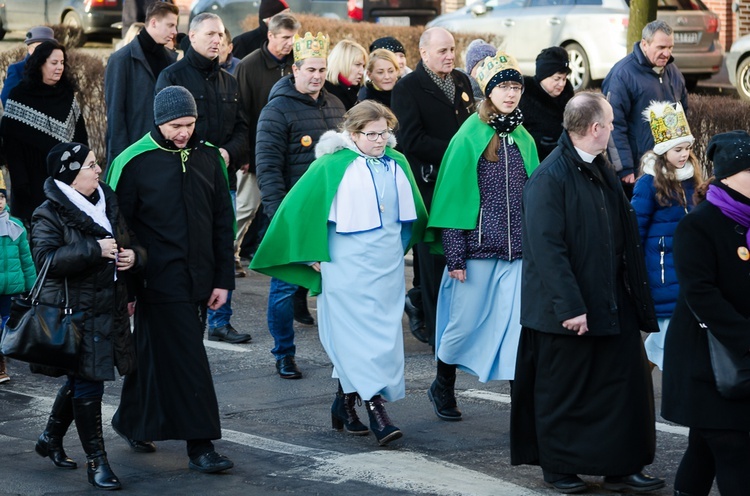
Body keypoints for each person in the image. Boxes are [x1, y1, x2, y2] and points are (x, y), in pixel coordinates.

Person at [510, 92, 664, 494]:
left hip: (610, 299)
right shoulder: (550, 176)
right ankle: (559, 467)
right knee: (566, 393)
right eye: (610, 124)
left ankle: (621, 465)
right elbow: (547, 251)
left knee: (623, 386)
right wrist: (571, 307)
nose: (613, 130)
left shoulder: (599, 167)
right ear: (595, 129)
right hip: (567, 310)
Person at [251, 100, 427, 445]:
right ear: (352, 133)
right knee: (354, 337)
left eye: (385, 133)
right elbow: (297, 209)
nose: (380, 140)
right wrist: (310, 252)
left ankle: (344, 403)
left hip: (386, 265)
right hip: (346, 263)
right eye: (372, 134)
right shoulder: (332, 165)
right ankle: (377, 410)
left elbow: (411, 217)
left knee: (383, 337)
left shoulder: (397, 162)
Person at [107, 86, 236, 474]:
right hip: (156, 280)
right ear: (158, 121)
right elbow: (119, 230)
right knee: (188, 358)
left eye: (190, 123)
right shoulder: (132, 161)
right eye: (176, 125)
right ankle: (201, 444)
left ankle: (130, 420)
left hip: (201, 277)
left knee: (155, 353)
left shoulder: (210, 157)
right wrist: (126, 290)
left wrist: (222, 280)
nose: (184, 131)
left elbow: (221, 222)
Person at [425, 52, 539, 422]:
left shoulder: (523, 137)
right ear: (489, 91)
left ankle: (520, 398)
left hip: (517, 251)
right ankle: (443, 382)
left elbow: (536, 196)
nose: (511, 94)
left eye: (516, 87)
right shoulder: (469, 135)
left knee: (516, 329)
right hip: (476, 252)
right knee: (463, 323)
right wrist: (455, 255)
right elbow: (452, 198)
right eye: (504, 87)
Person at [31, 142, 143, 490]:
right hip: (73, 311)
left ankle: (50, 437)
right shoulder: (48, 213)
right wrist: (94, 249)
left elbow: (128, 240)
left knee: (83, 378)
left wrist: (133, 257)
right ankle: (98, 462)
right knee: (88, 381)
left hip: (108, 306)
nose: (98, 170)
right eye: (91, 166)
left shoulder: (106, 200)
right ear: (70, 174)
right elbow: (46, 260)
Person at [661, 130, 750, 496]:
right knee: (733, 448)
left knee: (704, 447)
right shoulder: (698, 225)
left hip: (734, 359)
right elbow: (701, 293)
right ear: (728, 175)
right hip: (704, 358)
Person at [255, 31, 345, 379]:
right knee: (284, 287)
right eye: (310, 69)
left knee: (335, 286)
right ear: (294, 70)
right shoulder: (276, 111)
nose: (317, 76)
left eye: (322, 70)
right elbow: (268, 171)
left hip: (332, 213)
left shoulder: (337, 106)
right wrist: (283, 219)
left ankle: (342, 351)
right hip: (295, 214)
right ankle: (283, 353)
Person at [156, 12, 251, 344]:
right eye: (211, 34)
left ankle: (221, 320)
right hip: (183, 179)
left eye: (222, 35)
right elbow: (161, 130)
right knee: (189, 245)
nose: (218, 40)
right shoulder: (172, 77)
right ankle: (187, 308)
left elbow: (242, 128)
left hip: (221, 178)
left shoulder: (229, 80)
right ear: (192, 37)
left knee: (222, 243)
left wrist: (228, 153)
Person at [391, 27, 474, 348]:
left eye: (452, 49)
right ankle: (438, 331)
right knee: (433, 259)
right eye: (442, 51)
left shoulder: (462, 82)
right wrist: (459, 151)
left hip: (464, 184)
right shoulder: (408, 88)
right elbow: (411, 139)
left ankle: (462, 328)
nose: (450, 56)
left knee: (463, 260)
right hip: (431, 185)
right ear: (424, 54)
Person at [632, 101, 702, 371]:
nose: (684, 155)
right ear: (663, 152)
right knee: (668, 336)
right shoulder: (648, 183)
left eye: (687, 148)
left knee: (668, 337)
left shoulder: (690, 178)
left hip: (686, 268)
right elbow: (636, 226)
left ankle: (634, 385)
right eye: (678, 149)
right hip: (661, 271)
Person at [233, 12, 300, 280]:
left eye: (293, 38)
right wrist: (246, 154)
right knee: (246, 208)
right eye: (285, 38)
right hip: (256, 151)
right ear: (270, 35)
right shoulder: (249, 66)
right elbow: (241, 113)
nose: (290, 43)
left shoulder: (298, 62)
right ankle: (229, 254)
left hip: (290, 149)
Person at [0, 41, 88, 227]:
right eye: (54, 63)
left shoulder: (66, 95)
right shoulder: (20, 96)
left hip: (67, 184)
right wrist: (21, 185)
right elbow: (12, 146)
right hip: (32, 185)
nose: (59, 68)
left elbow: (81, 140)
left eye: (62, 63)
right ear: (40, 64)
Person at [602, 20, 688, 191]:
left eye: (670, 47)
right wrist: (624, 168)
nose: (667, 53)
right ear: (644, 44)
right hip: (636, 171)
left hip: (669, 168)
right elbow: (613, 125)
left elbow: (684, 112)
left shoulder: (673, 71)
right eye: (661, 47)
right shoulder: (622, 74)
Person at [105, 1, 179, 168]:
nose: (175, 32)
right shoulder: (121, 59)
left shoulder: (170, 60)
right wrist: (122, 160)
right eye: (170, 25)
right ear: (153, 23)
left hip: (164, 154)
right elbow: (115, 114)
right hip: (133, 154)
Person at [0, 186, 36, 384]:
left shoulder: (16, 226)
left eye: (2, 198)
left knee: (9, 322)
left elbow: (26, 258)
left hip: (12, 286)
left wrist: (32, 285)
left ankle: (2, 358)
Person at [518, 46, 574, 161]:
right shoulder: (524, 97)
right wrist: (538, 140)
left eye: (564, 78)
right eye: (557, 78)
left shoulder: (568, 97)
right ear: (543, 76)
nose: (562, 84)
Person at [0, 26, 56, 107]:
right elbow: (6, 99)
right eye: (39, 48)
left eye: (48, 48)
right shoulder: (17, 69)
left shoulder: (55, 68)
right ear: (29, 48)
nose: (44, 52)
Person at [324, 40, 368, 111]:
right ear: (342, 63)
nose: (362, 72)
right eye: (357, 65)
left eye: (363, 66)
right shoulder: (326, 95)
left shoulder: (352, 92)